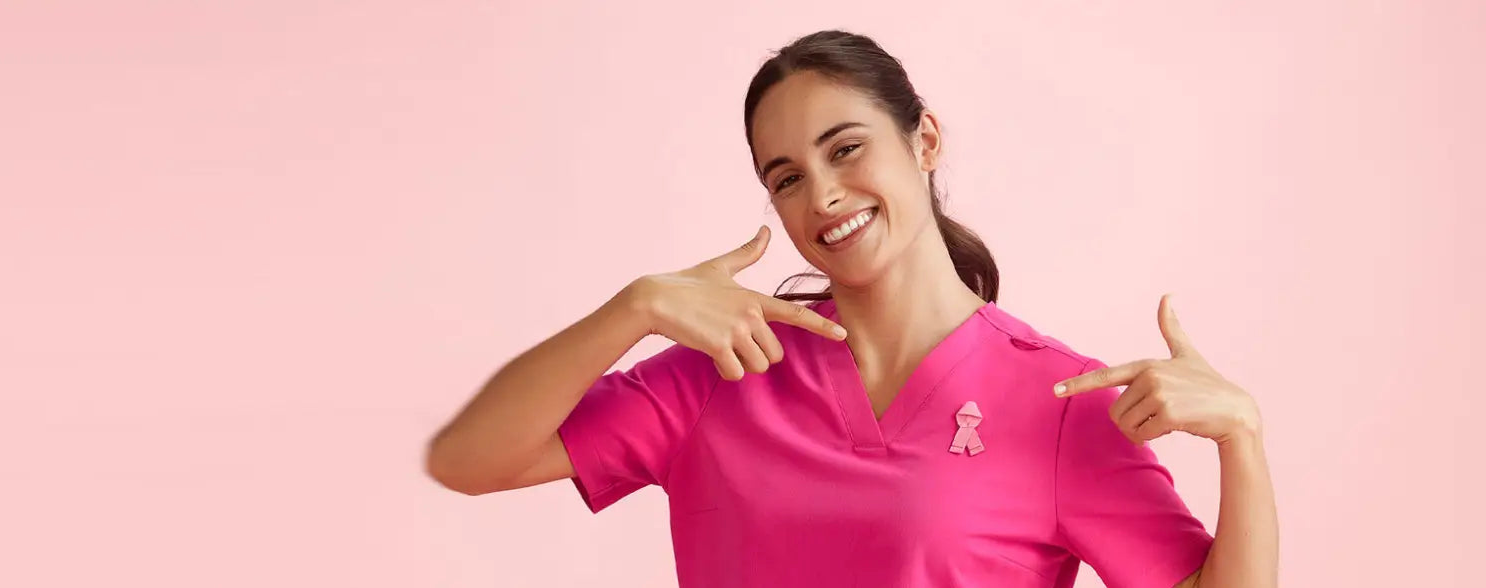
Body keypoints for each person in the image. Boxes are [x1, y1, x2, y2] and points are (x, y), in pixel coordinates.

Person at [424, 30, 1278, 588]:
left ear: (925, 140)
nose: (825, 195)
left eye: (847, 149)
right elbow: (468, 459)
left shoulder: (1060, 403)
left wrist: (1242, 439)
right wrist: (635, 307)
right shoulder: (722, 370)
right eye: (787, 177)